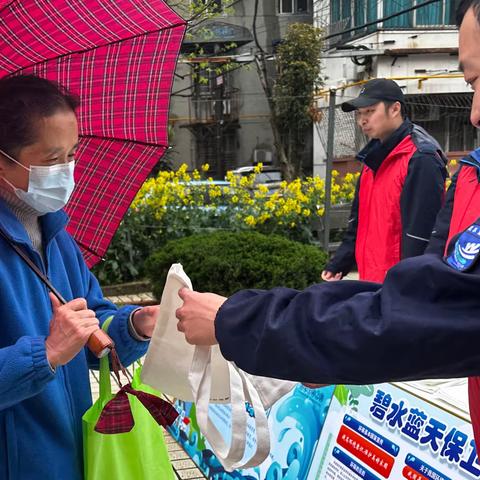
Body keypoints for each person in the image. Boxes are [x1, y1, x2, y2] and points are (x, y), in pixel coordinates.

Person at [176, 0, 480, 452]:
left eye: (477, 81)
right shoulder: (388, 163)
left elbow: (431, 287)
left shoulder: (421, 159)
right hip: (384, 302)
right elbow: (394, 249)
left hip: (395, 307)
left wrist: (240, 322)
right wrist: (330, 330)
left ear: (395, 110)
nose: (474, 113)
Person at [0, 75, 159, 480]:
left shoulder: (56, 235)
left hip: (73, 455)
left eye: (72, 154)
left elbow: (93, 324)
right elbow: (60, 345)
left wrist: (134, 326)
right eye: (52, 160)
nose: (67, 171)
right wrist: (47, 353)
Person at [322, 78, 447, 283]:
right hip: (372, 279)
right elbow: (359, 218)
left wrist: (408, 287)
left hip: (400, 286)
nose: (362, 120)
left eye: (370, 111)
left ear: (395, 109)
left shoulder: (420, 157)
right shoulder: (374, 156)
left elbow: (421, 236)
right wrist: (341, 261)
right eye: (360, 114)